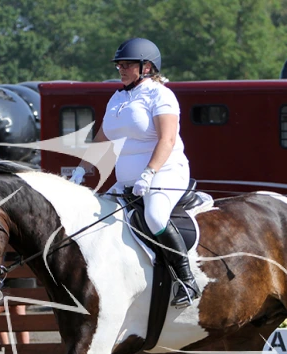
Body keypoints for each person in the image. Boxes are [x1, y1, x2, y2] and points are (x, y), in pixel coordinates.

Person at [69, 38, 200, 307]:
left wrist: (150, 173)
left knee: (154, 216)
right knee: (98, 217)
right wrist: (81, 169)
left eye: (127, 65)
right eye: (119, 65)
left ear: (147, 67)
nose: (121, 69)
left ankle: (186, 281)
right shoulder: (118, 98)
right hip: (128, 179)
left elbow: (167, 140)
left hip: (165, 172)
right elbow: (103, 138)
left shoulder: (160, 95)